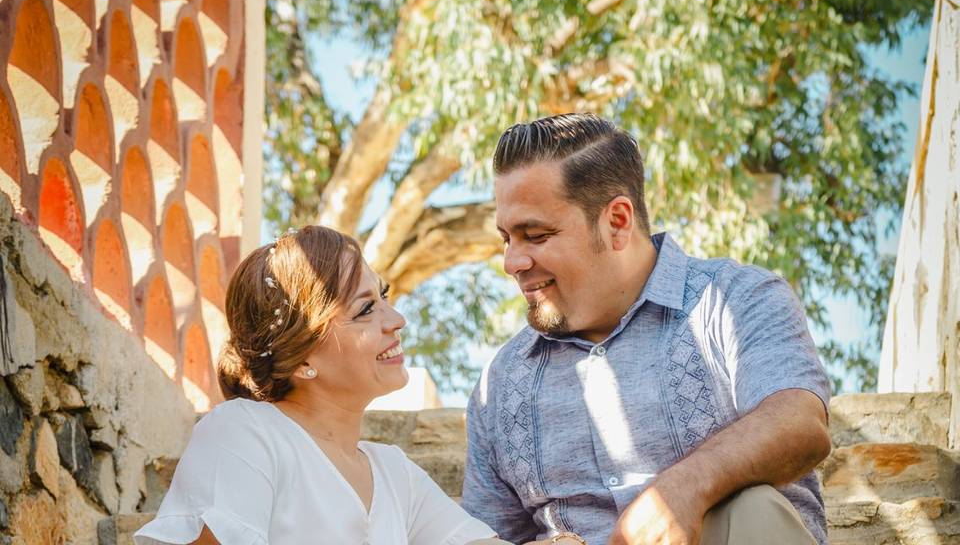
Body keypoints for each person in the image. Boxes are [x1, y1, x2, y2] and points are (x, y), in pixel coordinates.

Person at [462, 113, 833, 545]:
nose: (512, 263)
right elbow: (482, 536)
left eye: (536, 235)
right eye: (507, 238)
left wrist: (682, 490)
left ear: (617, 221)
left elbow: (800, 424)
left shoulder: (736, 299)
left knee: (752, 506)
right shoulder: (500, 384)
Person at [135, 226, 576, 545]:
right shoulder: (242, 433)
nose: (397, 320)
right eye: (366, 310)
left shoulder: (393, 471)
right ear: (301, 356)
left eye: (383, 297)